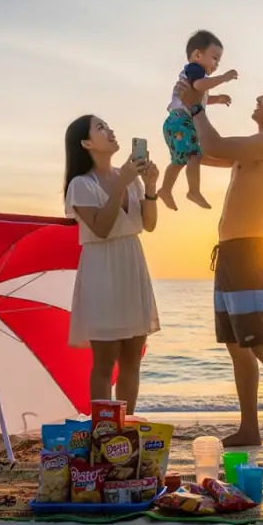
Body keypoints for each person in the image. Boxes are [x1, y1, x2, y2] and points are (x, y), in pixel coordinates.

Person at [175, 71, 263, 456]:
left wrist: (197, 106)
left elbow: (216, 143)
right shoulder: (256, 146)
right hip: (230, 254)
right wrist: (180, 131)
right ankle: (249, 428)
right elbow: (207, 152)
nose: (258, 98)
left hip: (250, 255)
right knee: (238, 346)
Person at [63, 114, 161, 414]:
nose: (110, 130)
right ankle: (104, 430)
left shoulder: (128, 178)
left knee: (132, 359)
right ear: (86, 143)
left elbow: (149, 224)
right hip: (101, 270)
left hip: (132, 264)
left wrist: (150, 187)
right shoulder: (81, 184)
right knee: (105, 362)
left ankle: (125, 429)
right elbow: (102, 228)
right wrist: (121, 183)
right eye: (101, 128)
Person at [158, 30, 238, 212]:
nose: (217, 64)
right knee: (194, 155)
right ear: (197, 55)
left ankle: (165, 189)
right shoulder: (195, 70)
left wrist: (217, 99)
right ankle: (193, 191)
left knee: (179, 160)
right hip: (181, 120)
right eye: (215, 58)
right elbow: (199, 86)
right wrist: (223, 78)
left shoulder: (196, 75)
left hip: (175, 121)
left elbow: (198, 98)